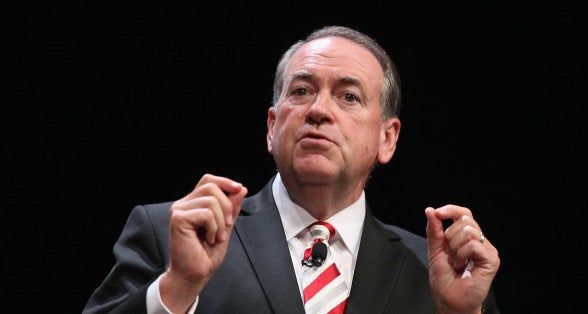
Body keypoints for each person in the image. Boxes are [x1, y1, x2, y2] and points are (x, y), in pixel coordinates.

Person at [83, 25, 500, 314]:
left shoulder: (436, 272)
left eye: (348, 97)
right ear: (271, 126)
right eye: (301, 91)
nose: (318, 110)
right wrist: (177, 288)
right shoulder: (174, 235)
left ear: (386, 139)